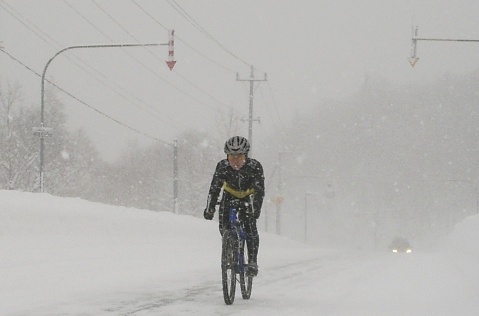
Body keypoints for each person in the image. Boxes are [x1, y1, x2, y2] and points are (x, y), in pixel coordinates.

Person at [204, 136, 265, 276]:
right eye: (232, 157)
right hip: (229, 196)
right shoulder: (222, 167)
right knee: (223, 225)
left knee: (250, 227)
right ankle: (230, 247)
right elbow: (214, 189)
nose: (235, 161)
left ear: (246, 156)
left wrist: (255, 209)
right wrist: (210, 208)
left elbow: (259, 191)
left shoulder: (254, 167)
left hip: (247, 197)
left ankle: (252, 261)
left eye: (239, 157)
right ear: (227, 156)